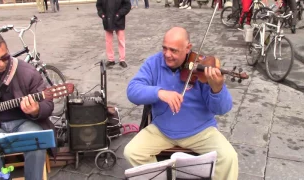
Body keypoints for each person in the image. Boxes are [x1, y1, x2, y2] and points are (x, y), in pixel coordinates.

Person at [124, 27, 238, 180]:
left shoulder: (203, 67)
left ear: (188, 48)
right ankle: (162, 176)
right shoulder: (154, 63)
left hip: (201, 131)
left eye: (174, 50)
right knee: (132, 151)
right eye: (164, 48)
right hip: (161, 129)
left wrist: (217, 89)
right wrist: (159, 93)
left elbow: (223, 109)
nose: (167, 54)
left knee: (229, 157)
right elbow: (132, 91)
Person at [0, 32, 55, 180]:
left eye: (5, 57)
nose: (1, 63)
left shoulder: (27, 72)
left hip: (24, 122)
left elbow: (48, 104)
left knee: (36, 141)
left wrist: (37, 110)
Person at [96, 0, 131, 68]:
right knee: (108, 41)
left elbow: (127, 5)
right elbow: (99, 5)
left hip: (119, 19)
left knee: (121, 41)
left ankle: (122, 60)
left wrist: (119, 14)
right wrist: (102, 15)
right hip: (107, 19)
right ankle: (110, 59)